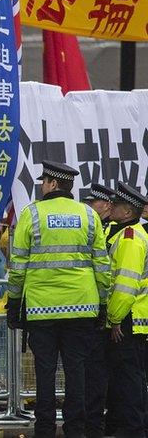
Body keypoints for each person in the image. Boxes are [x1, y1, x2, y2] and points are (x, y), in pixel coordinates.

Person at [7, 161, 109, 438]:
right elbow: (102, 265)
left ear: (52, 184)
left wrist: (14, 303)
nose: (41, 186)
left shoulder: (32, 215)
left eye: (44, 182)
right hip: (82, 309)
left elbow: (18, 266)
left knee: (45, 374)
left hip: (42, 311)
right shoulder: (89, 216)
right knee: (77, 374)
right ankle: (75, 430)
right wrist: (102, 304)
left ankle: (45, 430)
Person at [101, 184, 148, 438]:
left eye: (116, 205)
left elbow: (124, 284)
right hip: (134, 319)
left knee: (127, 380)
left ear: (128, 211)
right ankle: (131, 425)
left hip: (128, 319)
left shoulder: (130, 238)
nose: (111, 207)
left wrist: (115, 318)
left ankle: (131, 429)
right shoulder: (129, 233)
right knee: (133, 378)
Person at [83, 182, 115, 438]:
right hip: (95, 312)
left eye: (94, 203)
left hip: (110, 313)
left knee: (99, 373)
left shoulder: (112, 231)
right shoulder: (95, 228)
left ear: (107, 205)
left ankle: (97, 422)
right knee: (92, 371)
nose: (90, 206)